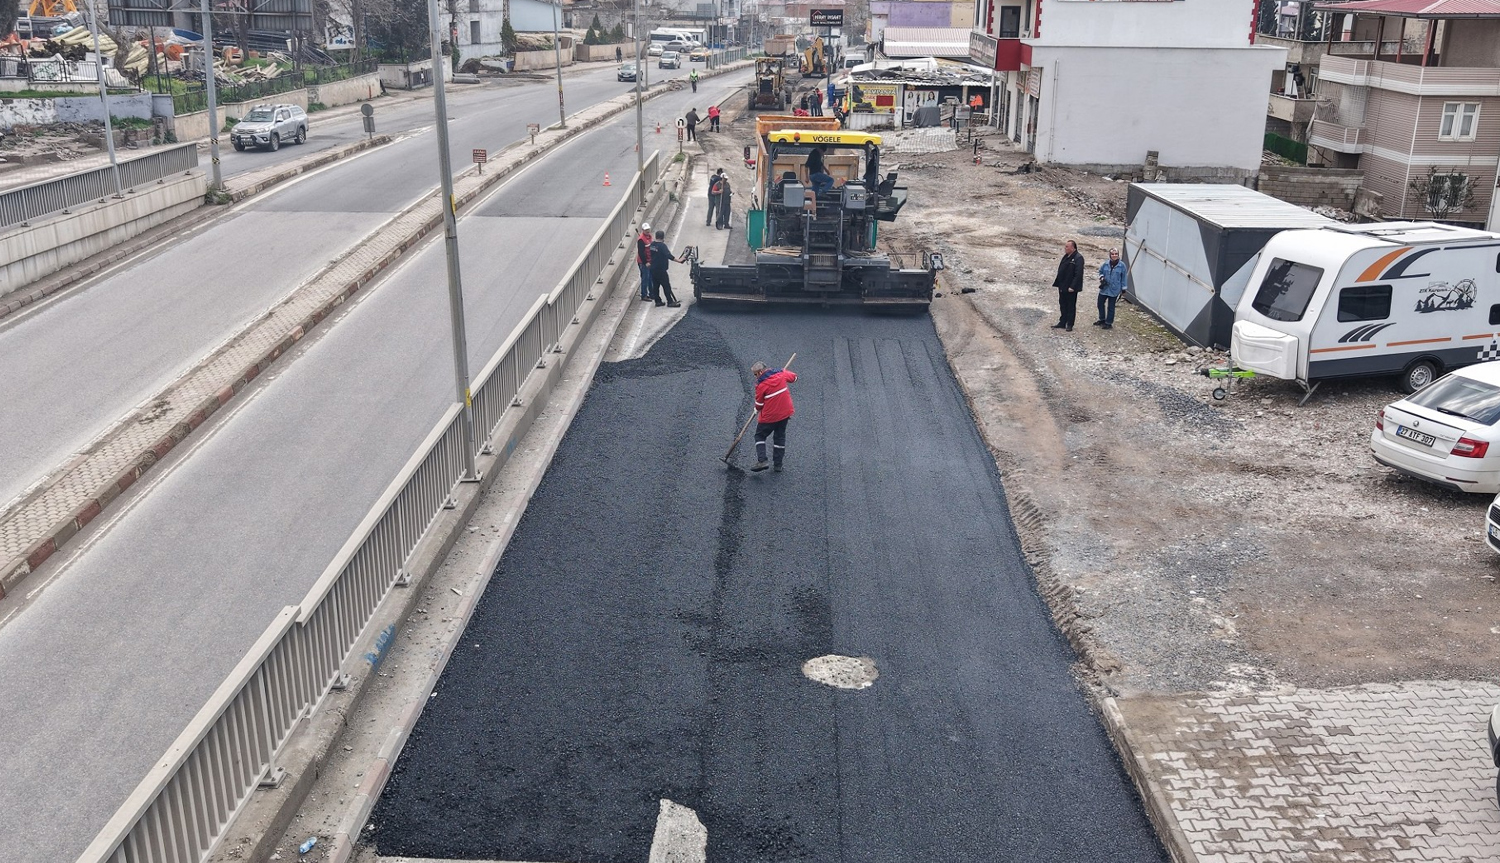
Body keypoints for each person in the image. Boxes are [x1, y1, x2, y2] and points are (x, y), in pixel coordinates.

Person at [750, 361, 797, 472]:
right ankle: (778, 465)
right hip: (785, 413)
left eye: (755, 374)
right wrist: (784, 372)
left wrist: (756, 409)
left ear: (761, 372)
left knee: (760, 436)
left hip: (770, 417)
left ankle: (762, 461)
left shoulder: (761, 385)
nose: (755, 377)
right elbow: (794, 378)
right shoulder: (780, 373)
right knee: (779, 437)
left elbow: (760, 404)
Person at [648, 230, 687, 308]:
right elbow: (668, 255)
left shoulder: (652, 245)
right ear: (663, 237)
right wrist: (679, 260)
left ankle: (658, 301)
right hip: (661, 270)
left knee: (655, 286)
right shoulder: (662, 246)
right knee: (666, 286)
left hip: (653, 269)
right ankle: (670, 301)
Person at [1051, 240, 1084, 331]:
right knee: (1062, 304)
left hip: (1071, 288)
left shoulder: (1078, 258)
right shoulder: (1066, 256)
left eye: (1067, 247)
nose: (1065, 248)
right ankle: (1062, 322)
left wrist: (1072, 286)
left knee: (1070, 305)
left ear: (1073, 248)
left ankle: (1070, 324)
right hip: (1063, 285)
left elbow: (1078, 274)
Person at [1095, 247, 1127, 329]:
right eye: (1112, 254)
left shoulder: (1122, 266)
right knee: (1100, 303)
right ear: (1110, 255)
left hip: (1114, 289)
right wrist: (1102, 277)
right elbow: (1100, 272)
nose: (1114, 255)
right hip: (1104, 288)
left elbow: (1124, 278)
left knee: (1111, 306)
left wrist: (1124, 288)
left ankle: (1108, 323)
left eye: (1116, 254)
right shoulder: (1105, 264)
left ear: (1118, 255)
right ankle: (1102, 319)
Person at [635, 222, 654, 302]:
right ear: (643, 230)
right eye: (646, 230)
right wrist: (646, 262)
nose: (647, 231)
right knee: (645, 278)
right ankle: (644, 295)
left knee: (650, 278)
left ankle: (651, 294)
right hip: (643, 262)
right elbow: (641, 253)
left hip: (649, 261)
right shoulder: (641, 240)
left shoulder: (649, 237)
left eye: (648, 229)